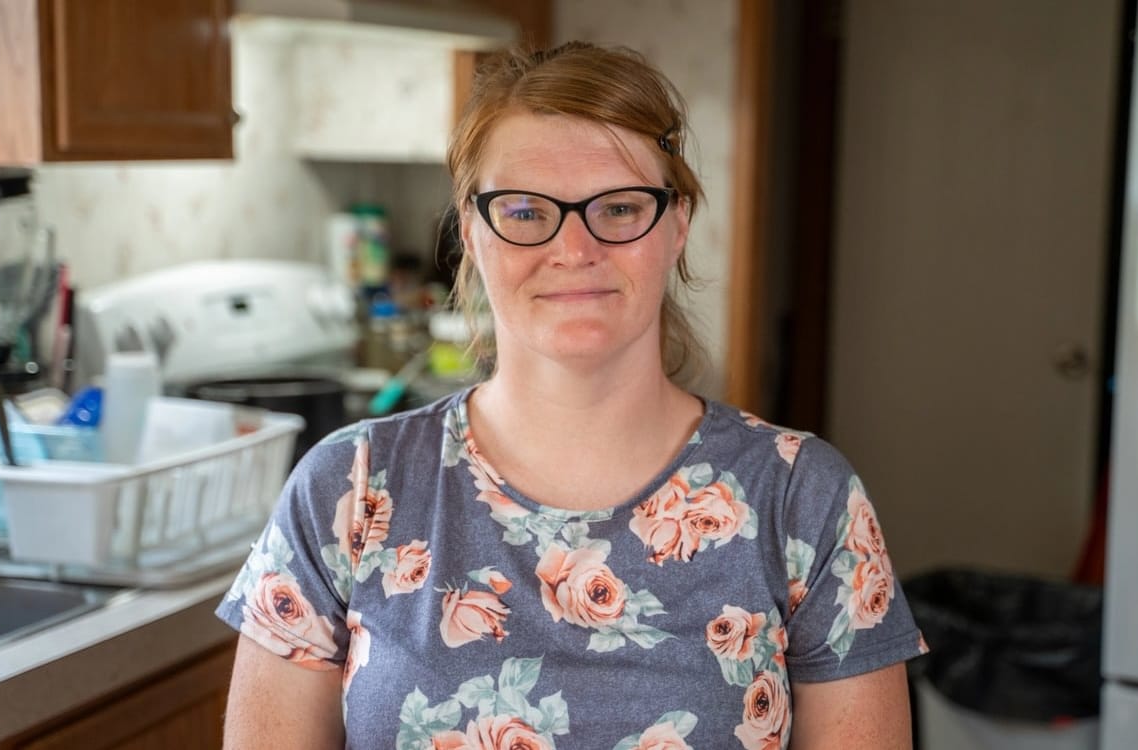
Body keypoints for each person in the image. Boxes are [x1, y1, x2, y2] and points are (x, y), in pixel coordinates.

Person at [218, 41, 928, 749]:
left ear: (677, 225)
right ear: (471, 231)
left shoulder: (805, 501)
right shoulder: (347, 490)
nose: (575, 248)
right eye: (525, 212)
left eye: (619, 208)